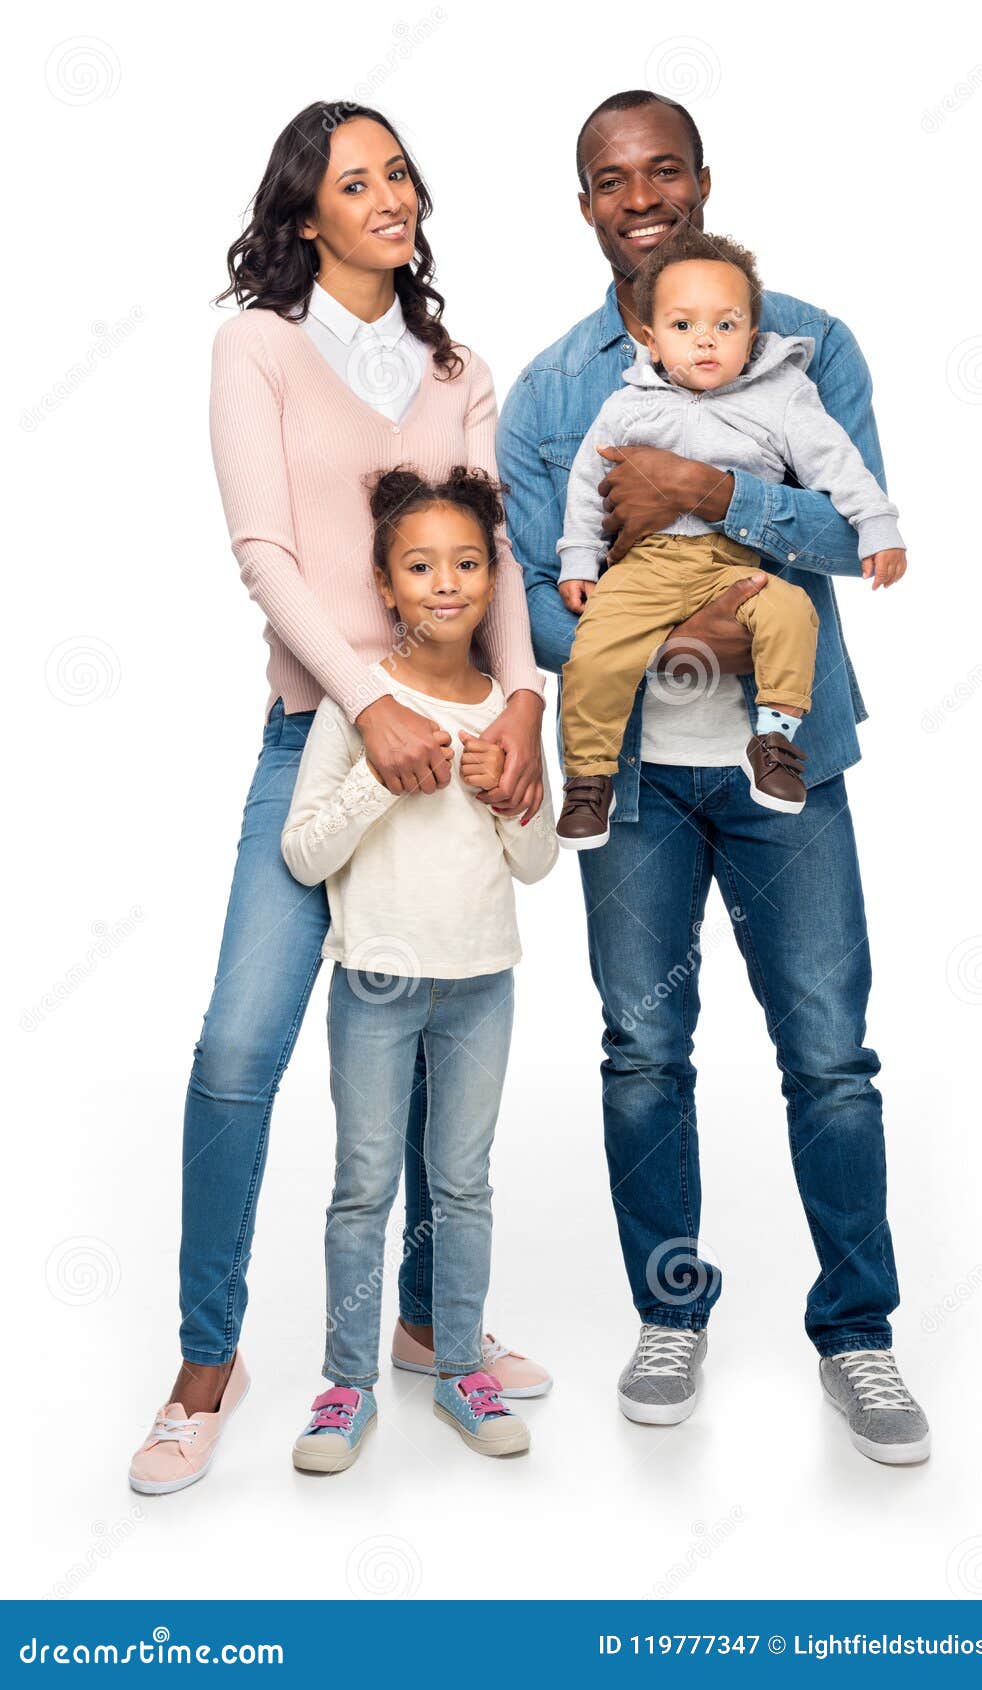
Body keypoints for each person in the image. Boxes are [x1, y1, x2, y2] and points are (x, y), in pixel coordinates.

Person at [498, 88, 930, 1464]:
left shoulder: (806, 347)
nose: (644, 195)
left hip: (782, 766)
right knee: (641, 1051)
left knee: (831, 1054)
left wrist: (705, 499)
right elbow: (535, 598)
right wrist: (676, 623)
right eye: (613, 179)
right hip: (631, 782)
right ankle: (670, 1307)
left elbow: (845, 523)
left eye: (665, 169)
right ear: (587, 207)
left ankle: (858, 1334)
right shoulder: (557, 390)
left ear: (699, 178)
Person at [129, 101, 549, 1498]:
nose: (390, 196)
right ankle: (207, 1360)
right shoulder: (256, 344)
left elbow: (488, 552)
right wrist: (366, 702)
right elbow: (264, 549)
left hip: (459, 738)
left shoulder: (458, 366)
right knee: (240, 1046)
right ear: (306, 214)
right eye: (353, 181)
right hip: (321, 736)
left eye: (399, 173)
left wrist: (524, 707)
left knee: (441, 1018)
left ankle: (430, 1321)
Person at [281, 469, 557, 1469]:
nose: (448, 581)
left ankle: (458, 1375)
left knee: (463, 1183)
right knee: (364, 1182)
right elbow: (304, 853)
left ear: (493, 580)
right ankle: (345, 1386)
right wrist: (376, 782)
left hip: (483, 980)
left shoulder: (512, 709)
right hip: (377, 984)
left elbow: (537, 863)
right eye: (421, 565)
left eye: (468, 562)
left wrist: (507, 799)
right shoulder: (361, 709)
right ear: (386, 586)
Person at [555, 225, 906, 841]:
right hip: (645, 564)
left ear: (753, 332)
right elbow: (589, 483)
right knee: (595, 649)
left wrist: (877, 524)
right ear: (651, 338)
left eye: (726, 324)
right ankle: (590, 780)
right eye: (683, 326)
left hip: (734, 562)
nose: (706, 342)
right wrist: (581, 559)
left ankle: (772, 740)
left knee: (792, 610)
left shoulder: (784, 398)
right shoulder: (627, 405)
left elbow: (837, 462)